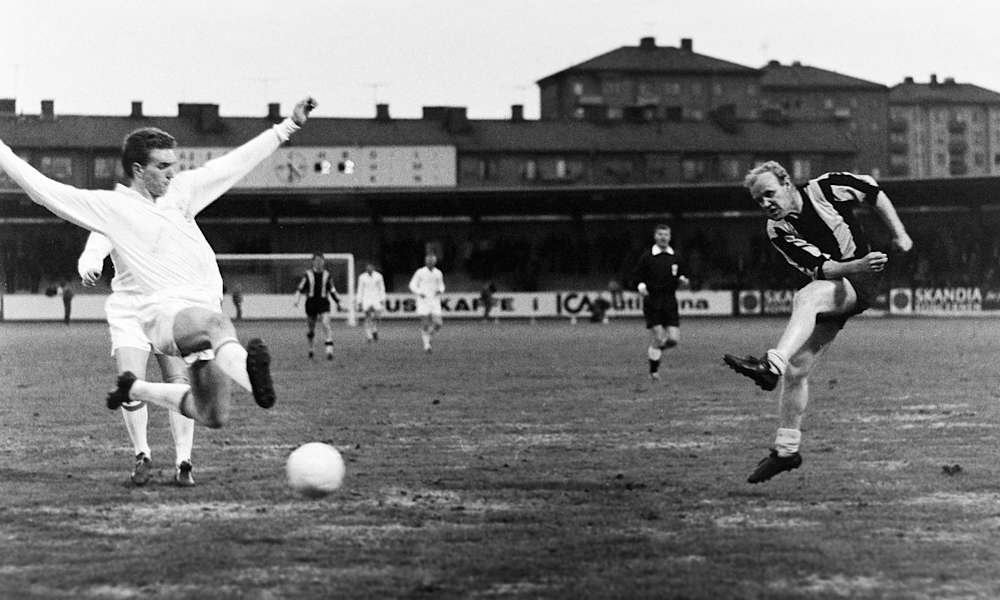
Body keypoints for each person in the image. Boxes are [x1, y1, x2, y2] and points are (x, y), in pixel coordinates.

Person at [0, 96, 318, 430]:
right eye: (162, 167)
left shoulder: (182, 192)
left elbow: (233, 164)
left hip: (202, 318)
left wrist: (288, 126)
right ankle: (257, 384)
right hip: (167, 316)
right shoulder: (114, 207)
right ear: (138, 170)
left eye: (173, 165)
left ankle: (136, 388)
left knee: (213, 414)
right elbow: (42, 189)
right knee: (219, 325)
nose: (172, 173)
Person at [724, 161, 912, 484]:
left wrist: (900, 233)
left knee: (806, 298)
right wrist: (857, 264)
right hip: (839, 279)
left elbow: (872, 191)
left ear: (786, 183)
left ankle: (771, 364)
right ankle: (786, 451)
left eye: (769, 194)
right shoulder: (777, 230)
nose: (765, 204)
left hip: (862, 282)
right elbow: (822, 268)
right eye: (758, 201)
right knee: (797, 369)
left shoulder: (825, 188)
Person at [79, 235, 198, 486]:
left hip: (168, 307)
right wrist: (90, 266)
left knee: (178, 380)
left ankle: (184, 461)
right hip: (129, 309)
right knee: (130, 383)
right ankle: (142, 454)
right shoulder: (117, 208)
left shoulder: (172, 212)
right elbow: (97, 243)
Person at [631, 224, 689, 381]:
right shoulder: (647, 257)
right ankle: (654, 371)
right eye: (660, 234)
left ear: (670, 237)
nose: (663, 237)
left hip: (670, 301)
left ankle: (654, 350)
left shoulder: (676, 256)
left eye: (666, 234)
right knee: (659, 337)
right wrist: (641, 286)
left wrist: (683, 280)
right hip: (653, 301)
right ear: (655, 236)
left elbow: (683, 274)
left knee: (673, 340)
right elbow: (636, 276)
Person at [293, 253, 342, 360]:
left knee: (325, 323)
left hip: (324, 303)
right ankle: (311, 348)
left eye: (321, 260)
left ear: (324, 262)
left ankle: (329, 349)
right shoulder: (308, 274)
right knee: (311, 328)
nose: (319, 263)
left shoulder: (327, 275)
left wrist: (338, 301)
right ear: (313, 262)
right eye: (316, 261)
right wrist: (297, 300)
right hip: (311, 303)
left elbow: (332, 289)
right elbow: (300, 288)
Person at [408, 251, 445, 353]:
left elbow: (441, 285)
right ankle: (427, 345)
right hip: (423, 301)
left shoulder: (438, 273)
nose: (430, 262)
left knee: (438, 323)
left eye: (432, 261)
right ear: (426, 261)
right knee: (425, 324)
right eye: (428, 260)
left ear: (435, 261)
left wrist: (440, 290)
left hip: (434, 301)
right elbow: (412, 284)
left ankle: (428, 337)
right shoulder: (420, 272)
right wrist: (419, 292)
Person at [357, 262, 386, 342]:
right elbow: (360, 289)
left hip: (376, 298)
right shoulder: (362, 277)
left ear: (373, 267)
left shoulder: (379, 276)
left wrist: (382, 298)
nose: (369, 268)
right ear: (366, 268)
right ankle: (369, 336)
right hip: (366, 299)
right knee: (367, 317)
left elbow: (382, 288)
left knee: (377, 317)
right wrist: (359, 301)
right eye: (367, 267)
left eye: (370, 267)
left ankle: (374, 329)